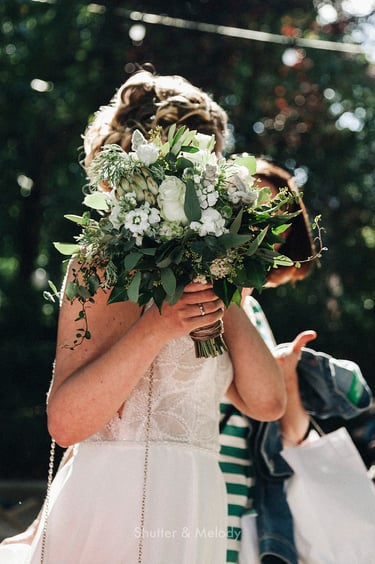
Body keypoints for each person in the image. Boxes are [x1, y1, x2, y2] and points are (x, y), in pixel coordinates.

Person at [0, 68, 286, 564]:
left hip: (196, 505)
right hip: (115, 501)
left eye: (211, 167)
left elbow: (268, 403)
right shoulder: (98, 265)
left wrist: (219, 273)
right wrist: (158, 327)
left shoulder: (223, 284)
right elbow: (65, 423)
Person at [219, 159, 372, 564]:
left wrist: (286, 381)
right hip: (177, 487)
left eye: (275, 227)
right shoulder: (178, 300)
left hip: (244, 506)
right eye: (249, 209)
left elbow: (289, 431)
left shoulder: (253, 318)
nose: (261, 230)